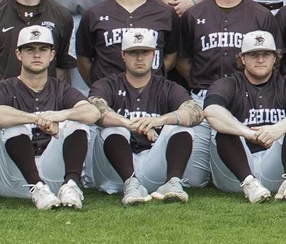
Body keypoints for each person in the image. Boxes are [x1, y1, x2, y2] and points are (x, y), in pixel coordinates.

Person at [176, 0, 278, 183]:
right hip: (203, 99)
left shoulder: (262, 16)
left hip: (246, 101)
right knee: (193, 179)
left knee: (245, 170)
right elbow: (183, 60)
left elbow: (273, 61)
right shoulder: (193, 15)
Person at [0, 26, 100, 210]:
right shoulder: (4, 87)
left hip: (50, 177)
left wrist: (61, 116)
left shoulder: (60, 88)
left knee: (77, 121)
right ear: (18, 54)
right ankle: (36, 186)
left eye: (43, 49)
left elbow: (93, 113)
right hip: (9, 178)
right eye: (30, 49)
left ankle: (71, 185)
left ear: (52, 55)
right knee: (14, 125)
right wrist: (36, 119)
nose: (37, 55)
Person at [87, 28, 206, 204]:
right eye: (133, 53)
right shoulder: (108, 84)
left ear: (154, 55)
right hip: (113, 173)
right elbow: (94, 109)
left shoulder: (167, 87)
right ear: (123, 55)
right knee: (114, 128)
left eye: (145, 52)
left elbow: (196, 112)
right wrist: (130, 124)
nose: (139, 58)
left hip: (152, 164)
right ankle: (131, 184)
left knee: (180, 127)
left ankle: (172, 183)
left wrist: (158, 120)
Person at [203, 31, 286, 203]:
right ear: (242, 59)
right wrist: (248, 133)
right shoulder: (228, 83)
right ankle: (249, 183)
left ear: (275, 58)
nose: (260, 60)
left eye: (266, 55)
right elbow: (211, 110)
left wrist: (278, 128)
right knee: (222, 128)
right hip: (235, 175)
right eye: (254, 55)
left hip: (277, 171)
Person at [76, 0, 178, 86]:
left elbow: (171, 56)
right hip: (107, 92)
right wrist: (100, 86)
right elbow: (84, 60)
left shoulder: (166, 13)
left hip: (152, 92)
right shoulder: (94, 14)